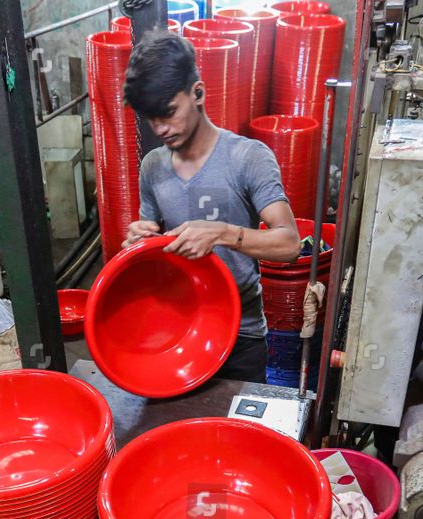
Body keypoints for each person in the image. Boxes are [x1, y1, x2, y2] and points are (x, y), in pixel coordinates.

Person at [122, 31, 302, 383]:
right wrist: (138, 243)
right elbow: (154, 250)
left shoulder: (247, 158)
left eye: (169, 112)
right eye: (150, 118)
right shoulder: (153, 166)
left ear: (198, 93)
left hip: (240, 334)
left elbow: (290, 243)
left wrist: (222, 233)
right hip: (177, 331)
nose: (160, 128)